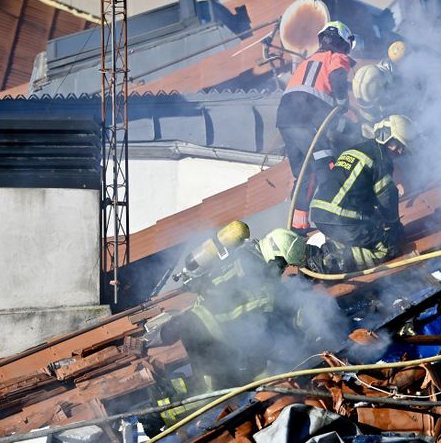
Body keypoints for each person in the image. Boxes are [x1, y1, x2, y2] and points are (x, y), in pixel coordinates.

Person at [155, 226, 306, 396]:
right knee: (211, 391)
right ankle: (161, 404)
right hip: (208, 332)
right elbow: (262, 323)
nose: (283, 268)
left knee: (225, 379)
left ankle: (167, 390)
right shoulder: (260, 276)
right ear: (273, 253)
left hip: (197, 319)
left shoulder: (243, 252)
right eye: (282, 262)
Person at [306, 115, 416, 274]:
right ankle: (328, 263)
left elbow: (358, 192)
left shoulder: (358, 149)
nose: (400, 151)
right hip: (341, 218)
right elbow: (386, 196)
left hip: (321, 215)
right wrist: (393, 224)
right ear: (387, 137)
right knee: (387, 247)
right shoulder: (381, 160)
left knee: (370, 233)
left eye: (403, 148)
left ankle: (329, 251)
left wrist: (377, 221)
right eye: (398, 145)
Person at [276, 21, 356, 235]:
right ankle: (337, 217)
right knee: (325, 165)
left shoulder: (308, 62)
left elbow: (321, 111)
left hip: (286, 119)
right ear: (343, 43)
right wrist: (342, 101)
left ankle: (298, 226)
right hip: (304, 118)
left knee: (304, 173)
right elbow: (337, 76)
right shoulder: (336, 57)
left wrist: (342, 123)